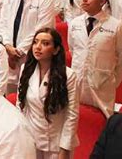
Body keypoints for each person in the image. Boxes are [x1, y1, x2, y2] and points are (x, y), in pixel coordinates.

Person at [68, 0, 122, 118]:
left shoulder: (115, 25)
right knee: (77, 121)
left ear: (102, 1)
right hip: (78, 80)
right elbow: (73, 50)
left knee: (102, 122)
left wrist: (110, 80)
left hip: (102, 84)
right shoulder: (75, 23)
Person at [18, 28, 79, 158]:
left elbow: (71, 115)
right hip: (31, 138)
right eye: (35, 42)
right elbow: (20, 106)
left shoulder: (68, 75)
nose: (38, 47)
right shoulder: (25, 70)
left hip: (55, 142)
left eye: (45, 43)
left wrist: (64, 149)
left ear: (56, 50)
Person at [0, 0, 55, 92]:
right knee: (8, 95)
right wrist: (8, 46)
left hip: (31, 55)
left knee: (29, 93)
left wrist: (19, 51)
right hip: (9, 53)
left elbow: (42, 29)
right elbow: (2, 23)